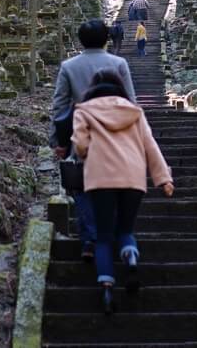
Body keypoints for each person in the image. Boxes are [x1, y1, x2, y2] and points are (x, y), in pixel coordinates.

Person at [72, 70, 173, 314]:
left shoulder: (84, 110)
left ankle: (107, 286)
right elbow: (151, 146)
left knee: (104, 235)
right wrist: (164, 179)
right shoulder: (134, 112)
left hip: (100, 178)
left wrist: (86, 155)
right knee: (126, 229)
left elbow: (80, 144)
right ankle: (130, 258)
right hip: (132, 177)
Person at [50, 19, 137, 261]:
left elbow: (59, 106)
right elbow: (130, 101)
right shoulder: (118, 63)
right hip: (115, 135)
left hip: (83, 134)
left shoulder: (69, 66)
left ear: (81, 40)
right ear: (106, 39)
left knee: (83, 187)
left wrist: (58, 139)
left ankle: (90, 239)